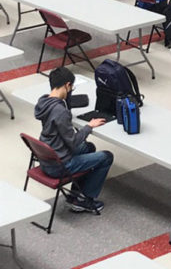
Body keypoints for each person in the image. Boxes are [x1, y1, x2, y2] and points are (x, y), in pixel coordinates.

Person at [34, 67, 114, 214]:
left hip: (47, 158)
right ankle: (85, 200)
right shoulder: (60, 112)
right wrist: (89, 126)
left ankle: (75, 196)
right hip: (59, 165)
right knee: (107, 157)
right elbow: (73, 141)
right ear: (67, 85)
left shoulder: (43, 102)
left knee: (89, 147)